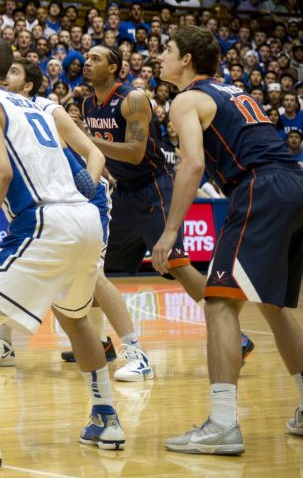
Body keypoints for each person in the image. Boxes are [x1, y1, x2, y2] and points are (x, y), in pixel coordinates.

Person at [0, 35, 122, 469]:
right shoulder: (39, 106)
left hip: (44, 221)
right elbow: (29, 160)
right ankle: (106, 416)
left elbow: (1, 169)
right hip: (85, 218)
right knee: (76, 320)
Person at [154, 26, 303, 455]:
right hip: (293, 183)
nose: (161, 55)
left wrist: (170, 232)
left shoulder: (187, 99)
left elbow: (193, 164)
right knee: (274, 307)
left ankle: (222, 424)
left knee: (219, 301)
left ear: (187, 60)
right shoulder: (232, 90)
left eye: (168, 49)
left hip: (260, 189)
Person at [80, 45, 253, 363]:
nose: (86, 62)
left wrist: (85, 139)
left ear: (115, 68)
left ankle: (236, 336)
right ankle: (102, 342)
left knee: (178, 265)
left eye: (95, 59)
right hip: (124, 193)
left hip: (153, 187)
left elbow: (134, 151)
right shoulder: (88, 103)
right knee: (96, 271)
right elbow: (104, 153)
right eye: (86, 58)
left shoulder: (132, 98)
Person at [0, 60, 154, 384]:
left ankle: (136, 353)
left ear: (28, 87)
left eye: (13, 72)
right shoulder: (0, 113)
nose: (4, 77)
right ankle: (4, 344)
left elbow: (93, 155)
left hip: (81, 198)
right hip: (46, 203)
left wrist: (86, 189)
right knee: (18, 264)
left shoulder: (48, 110)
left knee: (94, 277)